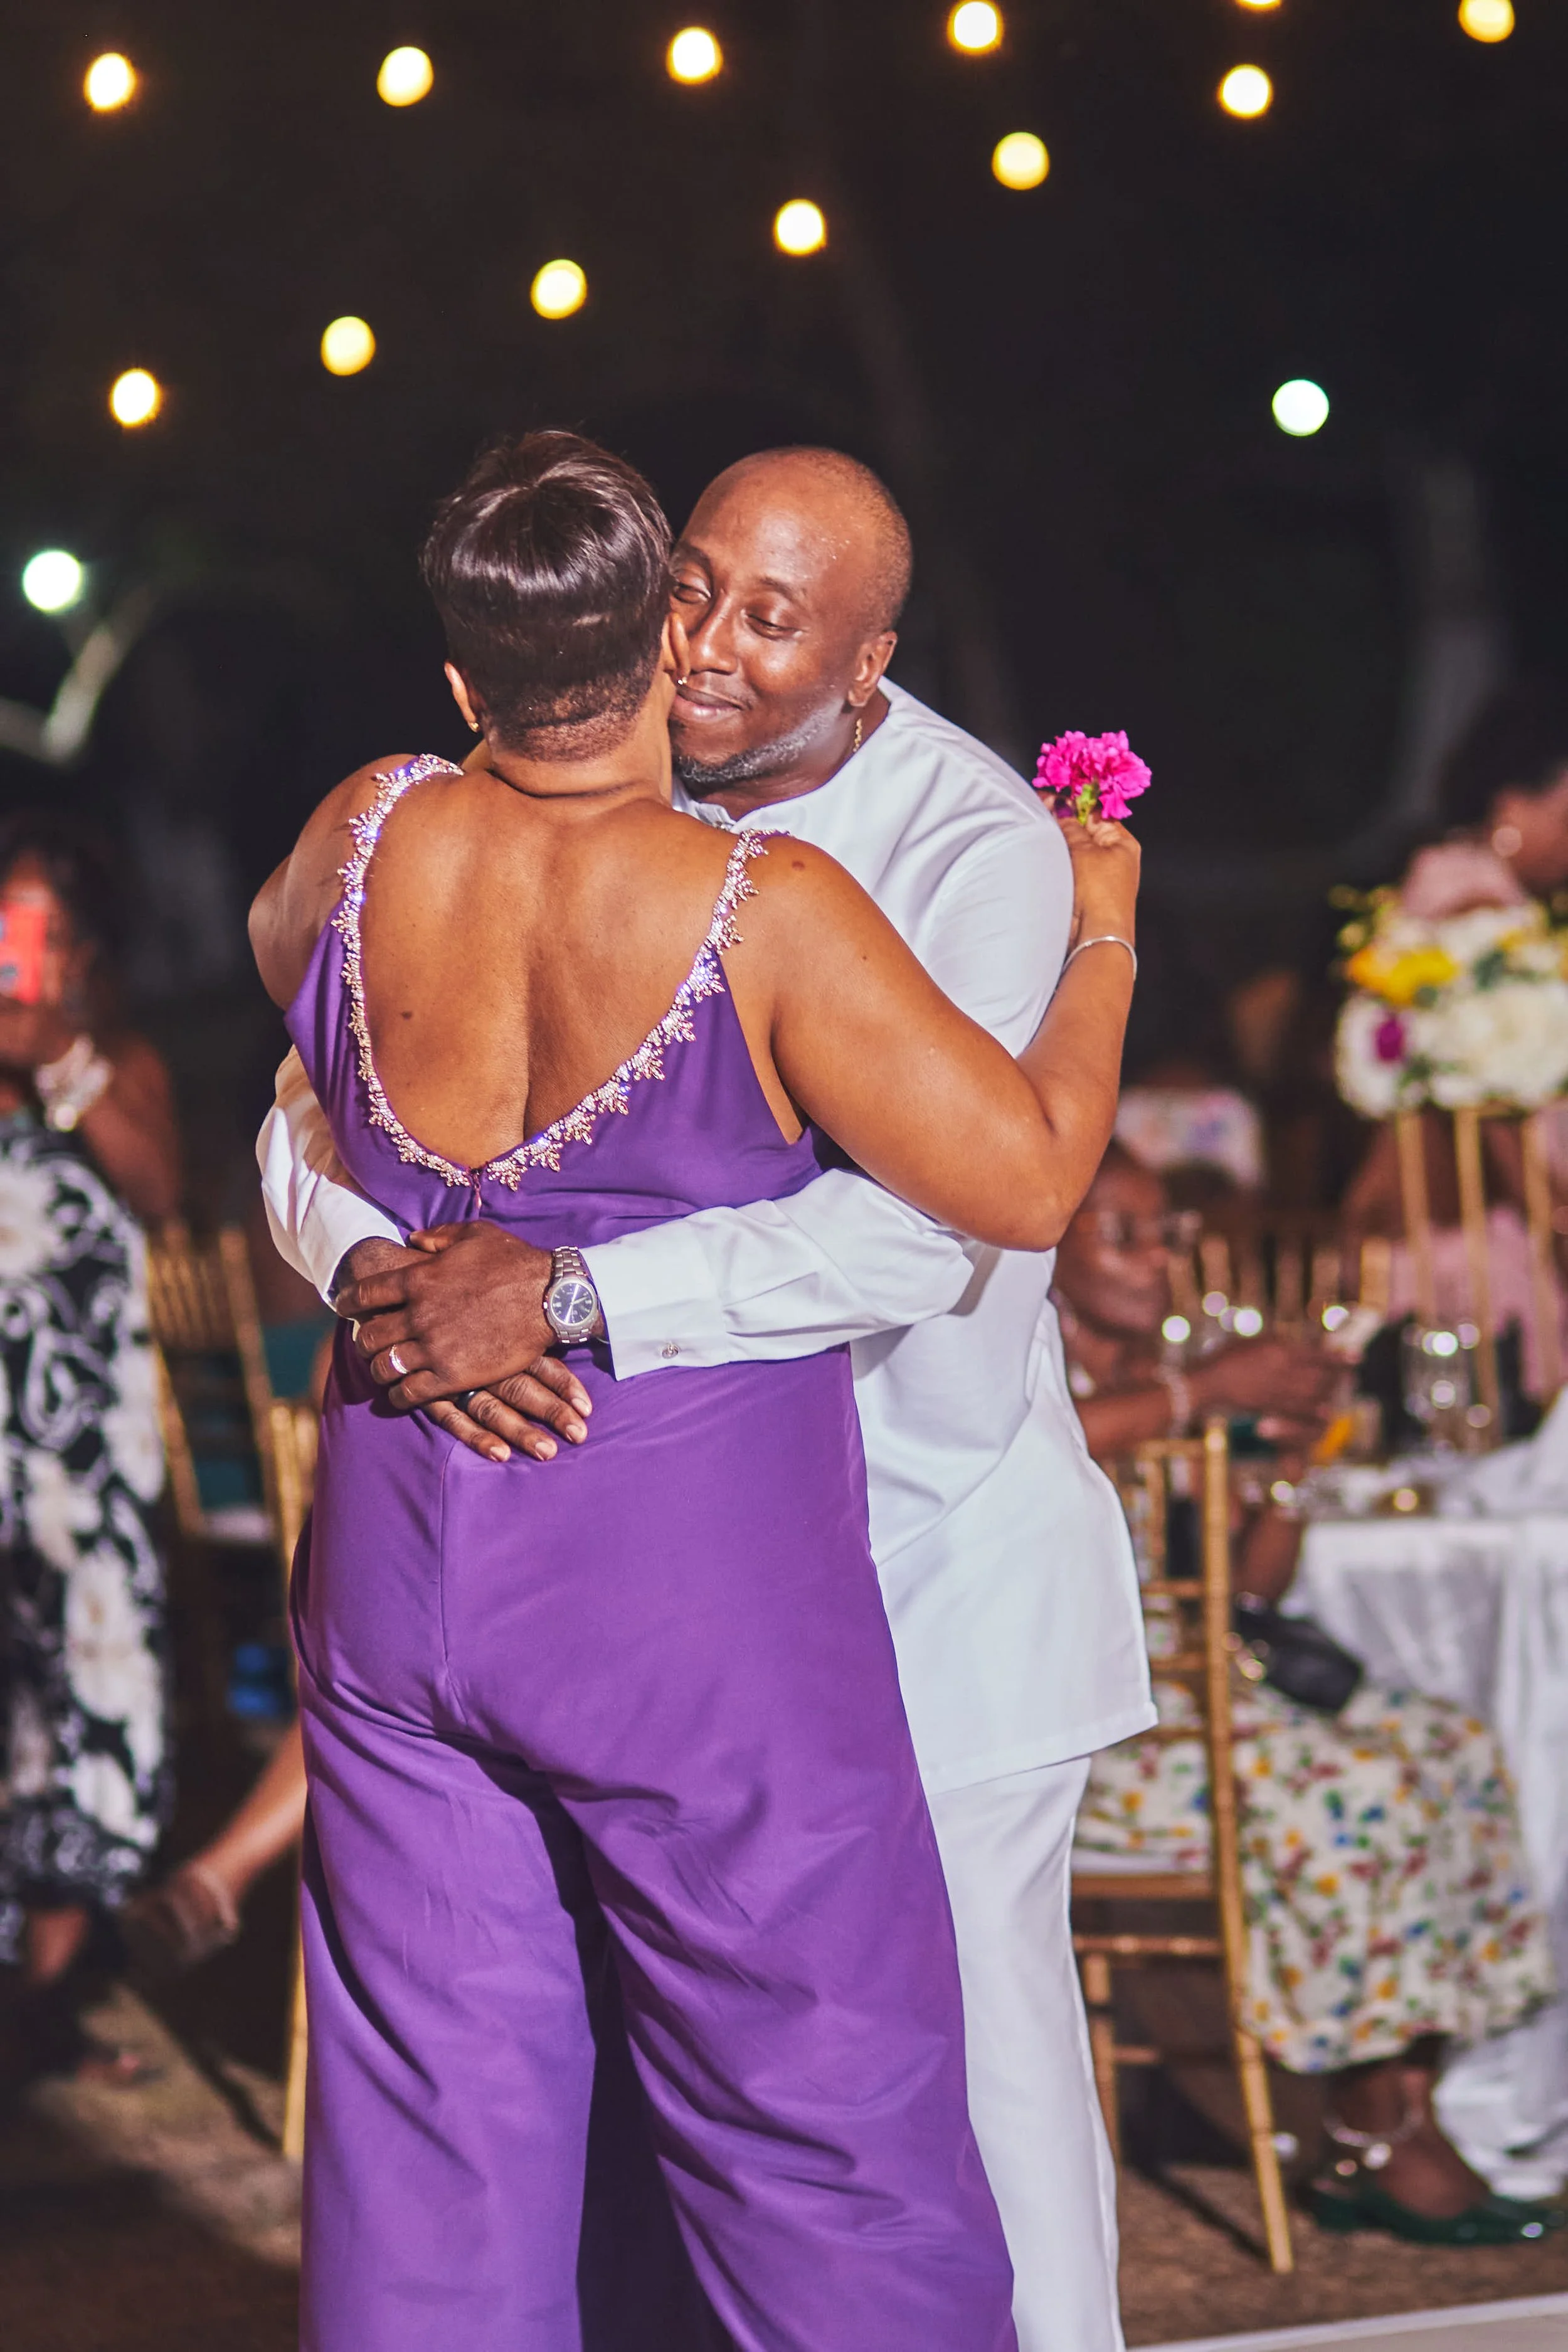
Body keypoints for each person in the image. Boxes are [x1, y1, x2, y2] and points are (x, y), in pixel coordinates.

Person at [249, 430, 1141, 2351]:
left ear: (465, 676)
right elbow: (1023, 1179)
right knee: (818, 2116)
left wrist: (400, 1239)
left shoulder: (368, 822)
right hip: (680, 1576)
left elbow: (292, 1001)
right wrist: (1105, 928)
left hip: (406, 1543)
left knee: (433, 2124)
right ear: (655, 645)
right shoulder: (763, 900)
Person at [1057, 1143, 1559, 2245]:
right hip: (1096, 1729)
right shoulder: (1024, 1370)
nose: (1156, 1260)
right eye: (1123, 1235)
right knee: (1356, 1787)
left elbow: (1252, 1589)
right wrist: (1200, 1395)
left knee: (1451, 1746)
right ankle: (1372, 2124)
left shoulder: (1165, 1368)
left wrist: (1284, 1468)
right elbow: (1023, 1455)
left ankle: (1401, 2097)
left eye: (1166, 1234)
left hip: (1209, 1693)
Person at [0, 814, 180, 2073]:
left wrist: (60, 1062)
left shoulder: (116, 1064)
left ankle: (45, 1997)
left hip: (85, 1465)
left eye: (49, 931)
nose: (28, 954)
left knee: (89, 1687)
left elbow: (160, 1191)